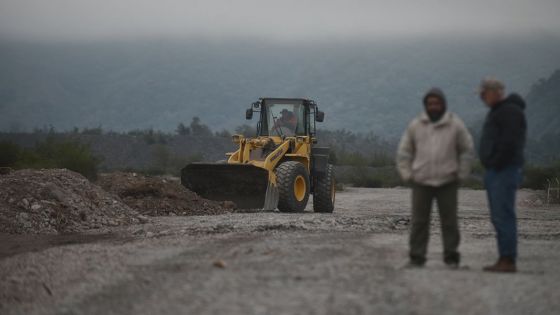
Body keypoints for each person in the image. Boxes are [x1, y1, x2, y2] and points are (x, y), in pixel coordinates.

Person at [397, 88, 474, 268]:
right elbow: (404, 152)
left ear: (443, 104)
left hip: (448, 181)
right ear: (426, 105)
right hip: (421, 181)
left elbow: (467, 150)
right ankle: (416, 258)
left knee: (449, 221)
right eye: (430, 103)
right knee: (418, 222)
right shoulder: (416, 125)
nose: (433, 106)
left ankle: (452, 258)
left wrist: (461, 174)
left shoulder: (455, 125)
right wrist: (407, 175)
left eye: (437, 103)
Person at [478, 78, 527, 273]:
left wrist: (495, 162)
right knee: (499, 215)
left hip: (504, 170)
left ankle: (507, 259)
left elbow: (509, 142)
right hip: (497, 170)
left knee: (503, 214)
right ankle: (504, 258)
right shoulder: (501, 111)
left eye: (484, 93)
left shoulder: (509, 111)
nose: (482, 97)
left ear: (495, 92)